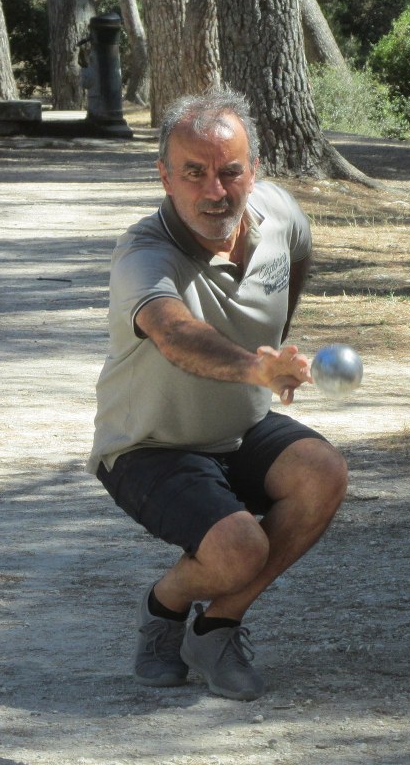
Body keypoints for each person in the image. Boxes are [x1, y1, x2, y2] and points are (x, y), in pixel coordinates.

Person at [86, 87, 348, 701]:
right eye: (194, 173)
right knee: (238, 548)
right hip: (149, 444)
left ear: (253, 170)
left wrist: (275, 350)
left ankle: (217, 625)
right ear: (165, 178)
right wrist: (256, 369)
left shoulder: (280, 214)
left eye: (231, 171)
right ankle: (165, 607)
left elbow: (298, 259)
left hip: (243, 427)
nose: (215, 191)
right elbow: (178, 335)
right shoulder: (143, 256)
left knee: (323, 473)